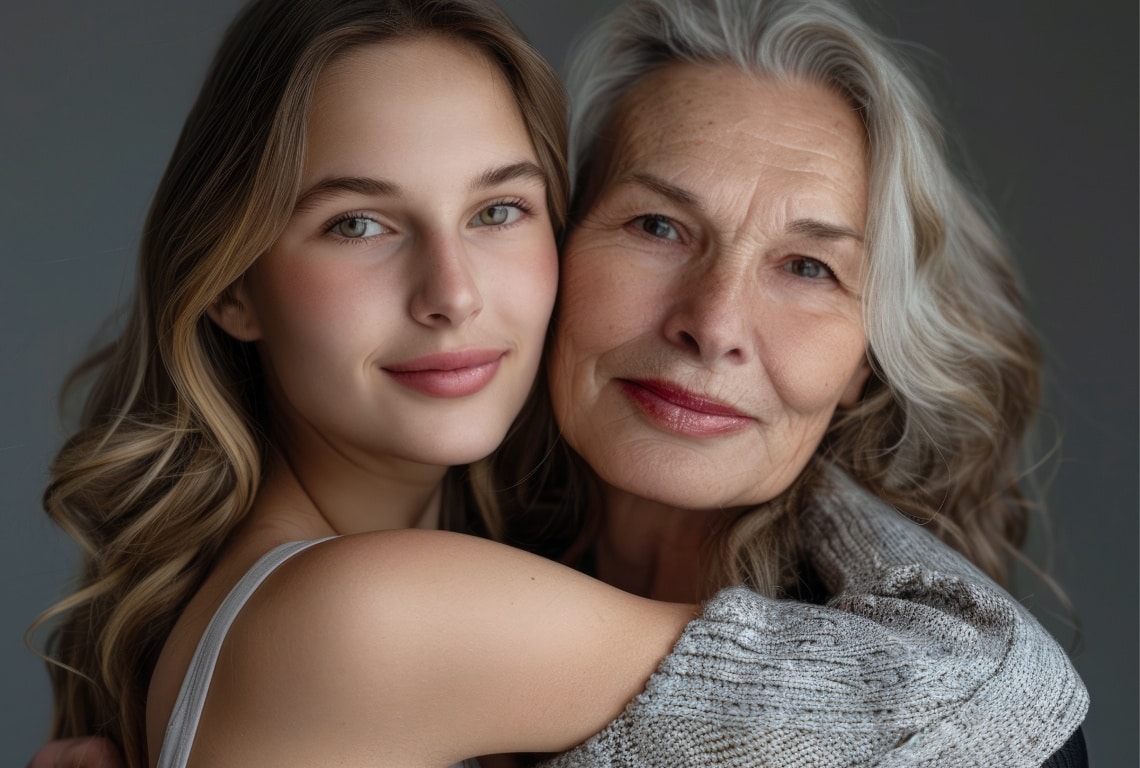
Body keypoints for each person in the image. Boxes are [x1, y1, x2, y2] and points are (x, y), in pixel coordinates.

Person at [29, 0, 1086, 766]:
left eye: (497, 212)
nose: (451, 295)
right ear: (232, 287)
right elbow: (985, 693)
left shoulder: (402, 578)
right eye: (358, 223)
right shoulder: (365, 611)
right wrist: (818, 482)